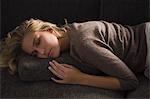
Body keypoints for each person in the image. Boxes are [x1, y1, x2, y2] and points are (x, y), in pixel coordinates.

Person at [0, 18, 149, 91]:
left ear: (50, 30)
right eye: (35, 54)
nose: (42, 53)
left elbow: (129, 81)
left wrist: (79, 78)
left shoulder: (83, 44)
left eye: (38, 42)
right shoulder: (72, 31)